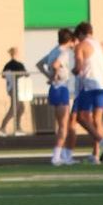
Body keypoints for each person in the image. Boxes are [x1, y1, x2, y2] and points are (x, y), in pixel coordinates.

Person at [70, 22, 103, 163]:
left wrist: (73, 71)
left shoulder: (81, 46)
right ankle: (102, 154)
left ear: (81, 34)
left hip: (88, 85)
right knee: (97, 120)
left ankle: (102, 141)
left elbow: (79, 67)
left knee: (81, 117)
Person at [36, 29, 76, 165]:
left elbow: (40, 64)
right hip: (61, 87)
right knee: (64, 126)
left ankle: (63, 155)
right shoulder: (64, 52)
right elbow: (55, 65)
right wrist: (53, 76)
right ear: (70, 40)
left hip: (54, 88)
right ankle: (56, 156)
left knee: (62, 125)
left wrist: (49, 76)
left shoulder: (54, 50)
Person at [0, 50, 29, 137]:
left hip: (12, 89)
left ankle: (18, 127)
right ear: (16, 54)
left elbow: (3, 75)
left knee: (21, 108)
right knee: (14, 108)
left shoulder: (7, 65)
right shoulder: (18, 64)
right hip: (15, 88)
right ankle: (2, 128)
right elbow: (25, 74)